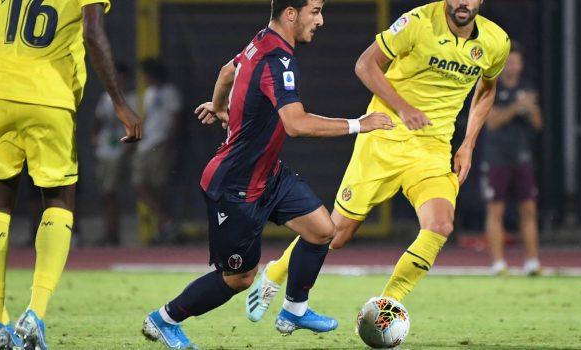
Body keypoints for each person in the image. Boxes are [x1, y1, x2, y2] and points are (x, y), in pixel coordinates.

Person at [140, 0, 394, 348]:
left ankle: (294, 310)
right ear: (291, 13)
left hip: (268, 176)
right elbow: (296, 123)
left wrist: (217, 106)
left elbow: (227, 71)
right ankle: (164, 319)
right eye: (315, 11)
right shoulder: (278, 60)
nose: (320, 20)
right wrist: (358, 124)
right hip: (235, 186)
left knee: (323, 230)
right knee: (240, 278)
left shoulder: (261, 40)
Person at [247, 0, 510, 321]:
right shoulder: (417, 23)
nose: (462, 3)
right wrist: (403, 108)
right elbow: (365, 65)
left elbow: (487, 88)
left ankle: (386, 308)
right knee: (337, 234)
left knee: (440, 225)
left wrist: (468, 143)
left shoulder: (496, 41)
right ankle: (275, 273)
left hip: (432, 150)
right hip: (383, 140)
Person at [0, 0, 142, 348]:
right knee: (60, 200)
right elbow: (92, 33)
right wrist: (120, 102)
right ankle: (35, 313)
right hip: (49, 96)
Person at [481, 43, 542, 276]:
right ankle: (498, 263)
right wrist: (517, 107)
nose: (512, 67)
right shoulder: (491, 87)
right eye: (508, 62)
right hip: (497, 156)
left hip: (522, 156)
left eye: (515, 62)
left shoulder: (527, 87)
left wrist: (530, 109)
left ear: (521, 65)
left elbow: (538, 124)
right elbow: (492, 122)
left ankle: (532, 261)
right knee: (496, 210)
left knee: (528, 208)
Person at [133, 58, 181, 244]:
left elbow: (177, 117)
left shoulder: (170, 92)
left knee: (160, 186)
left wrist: (170, 140)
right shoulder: (148, 93)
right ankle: (165, 221)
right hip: (146, 145)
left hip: (161, 143)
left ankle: (163, 229)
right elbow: (145, 118)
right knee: (140, 184)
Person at [93, 61, 137, 246]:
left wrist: (129, 148)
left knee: (112, 192)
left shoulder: (133, 99)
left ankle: (114, 232)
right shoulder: (106, 98)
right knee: (105, 193)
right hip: (105, 150)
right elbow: (97, 121)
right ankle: (109, 231)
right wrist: (94, 139)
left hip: (120, 151)